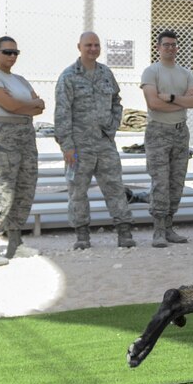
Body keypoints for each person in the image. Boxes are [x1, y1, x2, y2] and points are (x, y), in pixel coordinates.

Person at [54, 31, 136, 250]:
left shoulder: (106, 74)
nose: (92, 49)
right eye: (88, 45)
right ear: (79, 47)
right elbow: (62, 112)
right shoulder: (68, 76)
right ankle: (82, 235)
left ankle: (124, 231)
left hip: (104, 143)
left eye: (96, 45)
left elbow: (117, 101)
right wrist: (67, 145)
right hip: (79, 146)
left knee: (115, 188)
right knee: (77, 191)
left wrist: (113, 125)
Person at [0, 36, 45, 265]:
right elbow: (11, 106)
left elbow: (40, 106)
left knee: (25, 188)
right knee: (2, 191)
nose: (11, 56)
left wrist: (25, 107)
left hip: (25, 136)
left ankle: (15, 243)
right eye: (7, 52)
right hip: (1, 138)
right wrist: (26, 106)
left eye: (15, 52)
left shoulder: (20, 80)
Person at [140, 30, 193, 246]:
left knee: (177, 181)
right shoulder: (151, 72)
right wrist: (183, 101)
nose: (170, 48)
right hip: (158, 131)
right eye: (166, 45)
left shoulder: (185, 73)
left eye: (173, 45)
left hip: (179, 132)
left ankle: (169, 227)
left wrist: (173, 98)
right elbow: (153, 103)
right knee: (160, 182)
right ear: (158, 47)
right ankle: (158, 230)